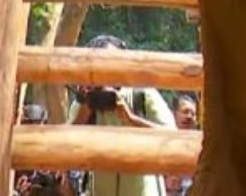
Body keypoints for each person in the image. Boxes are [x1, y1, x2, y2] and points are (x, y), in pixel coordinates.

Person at [67, 35, 176, 196]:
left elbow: (174, 139)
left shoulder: (143, 95)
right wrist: (86, 110)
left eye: (114, 62)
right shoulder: (84, 102)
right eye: (101, 65)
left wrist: (131, 118)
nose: (109, 71)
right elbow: (66, 147)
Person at [165, 95, 199, 196]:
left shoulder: (199, 144)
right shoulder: (163, 142)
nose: (189, 116)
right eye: (185, 112)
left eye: (193, 114)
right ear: (174, 114)